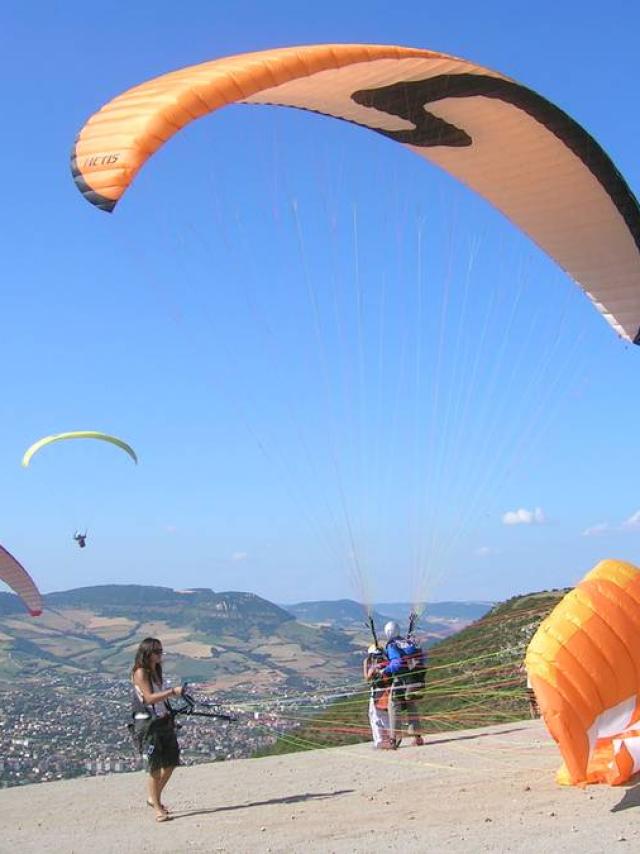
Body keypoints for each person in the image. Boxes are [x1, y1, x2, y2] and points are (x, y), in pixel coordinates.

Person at [131, 637, 183, 822]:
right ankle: (158, 808)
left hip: (163, 721)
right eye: (158, 652)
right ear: (148, 653)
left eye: (161, 651)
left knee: (170, 763)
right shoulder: (140, 673)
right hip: (148, 724)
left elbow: (159, 698)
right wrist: (171, 692)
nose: (161, 655)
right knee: (155, 767)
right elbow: (149, 698)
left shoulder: (156, 671)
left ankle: (153, 799)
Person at [378, 621, 424, 747]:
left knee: (393, 707)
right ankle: (418, 737)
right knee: (411, 706)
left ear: (388, 633)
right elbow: (422, 657)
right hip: (413, 679)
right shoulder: (408, 642)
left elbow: (397, 663)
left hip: (400, 680)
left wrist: (384, 670)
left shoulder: (392, 645)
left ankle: (394, 739)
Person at [363, 644, 393, 749]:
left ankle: (380, 740)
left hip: (377, 692)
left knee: (375, 716)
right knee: (385, 715)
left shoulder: (375, 666)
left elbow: (367, 678)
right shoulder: (387, 662)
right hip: (387, 691)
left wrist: (366, 664)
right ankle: (391, 737)